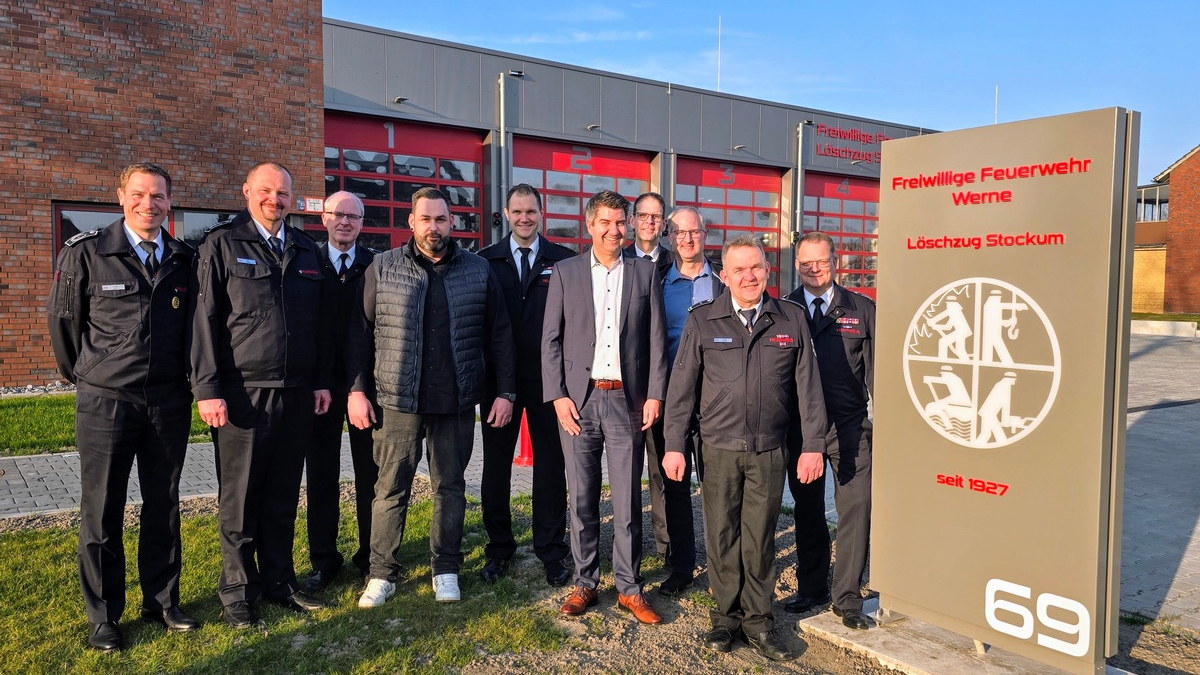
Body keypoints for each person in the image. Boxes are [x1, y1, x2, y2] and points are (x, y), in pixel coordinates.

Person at [48, 163, 198, 651]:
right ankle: (104, 615)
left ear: (169, 203)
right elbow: (65, 330)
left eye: (157, 196)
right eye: (139, 194)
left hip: (168, 402)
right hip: (107, 403)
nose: (148, 204)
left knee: (164, 503)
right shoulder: (88, 253)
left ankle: (161, 600)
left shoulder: (182, 258)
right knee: (103, 509)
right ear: (121, 197)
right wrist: (92, 376)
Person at [348, 187, 516, 608]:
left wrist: (505, 392)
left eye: (441, 219)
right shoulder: (382, 268)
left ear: (451, 223)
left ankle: (446, 569)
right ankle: (381, 573)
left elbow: (499, 336)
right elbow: (359, 334)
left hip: (456, 402)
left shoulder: (477, 270)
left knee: (450, 488)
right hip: (397, 402)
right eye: (426, 219)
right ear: (412, 222)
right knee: (390, 489)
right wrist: (355, 390)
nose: (433, 227)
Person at [663, 236, 828, 660]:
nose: (749, 276)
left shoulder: (789, 318)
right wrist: (674, 446)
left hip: (770, 450)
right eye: (739, 270)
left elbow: (809, 389)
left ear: (768, 271)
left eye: (756, 267)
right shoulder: (704, 320)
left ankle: (758, 622)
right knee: (721, 536)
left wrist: (813, 446)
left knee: (759, 538)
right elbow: (681, 390)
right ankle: (725, 620)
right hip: (718, 449)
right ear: (724, 276)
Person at [191, 162, 333, 629]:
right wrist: (208, 389)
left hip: (295, 394)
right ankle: (237, 591)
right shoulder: (222, 245)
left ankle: (279, 580)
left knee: (281, 496)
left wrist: (320, 382)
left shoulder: (306, 249)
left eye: (284, 193)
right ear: (247, 191)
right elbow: (205, 322)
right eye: (266, 190)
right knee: (241, 499)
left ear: (294, 199)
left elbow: (319, 328)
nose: (275, 199)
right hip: (242, 396)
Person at [542, 189, 668, 625]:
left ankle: (629, 588)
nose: (614, 231)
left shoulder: (643, 273)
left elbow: (655, 340)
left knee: (628, 497)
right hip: (579, 402)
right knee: (581, 498)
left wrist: (654, 393)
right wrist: (558, 396)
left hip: (626, 401)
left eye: (621, 223)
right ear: (590, 225)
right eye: (606, 223)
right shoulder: (565, 272)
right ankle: (585, 582)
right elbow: (551, 341)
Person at [477, 184, 576, 587]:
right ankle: (499, 548)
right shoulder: (485, 262)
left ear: (541, 213)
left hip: (548, 382)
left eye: (531, 211)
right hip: (498, 385)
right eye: (517, 211)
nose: (524, 218)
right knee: (495, 468)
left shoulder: (566, 263)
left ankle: (551, 551)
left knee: (551, 468)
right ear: (506, 214)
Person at [785, 231, 876, 630]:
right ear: (796, 264)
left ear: (835, 261)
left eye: (821, 261)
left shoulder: (861, 309)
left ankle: (848, 596)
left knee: (856, 509)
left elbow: (878, 373)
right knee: (806, 509)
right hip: (801, 430)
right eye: (806, 262)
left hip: (851, 427)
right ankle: (812, 587)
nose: (814, 268)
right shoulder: (784, 309)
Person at [644, 205, 724, 596]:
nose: (687, 239)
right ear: (669, 238)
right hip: (671, 401)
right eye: (679, 233)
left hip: (715, 402)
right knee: (672, 484)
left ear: (705, 235)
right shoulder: (655, 281)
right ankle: (681, 565)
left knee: (717, 486)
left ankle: (721, 568)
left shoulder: (724, 283)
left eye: (694, 232)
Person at [302, 191, 379, 591]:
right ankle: (324, 560)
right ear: (324, 219)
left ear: (362, 223)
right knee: (321, 476)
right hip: (320, 388)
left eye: (353, 216)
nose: (345, 222)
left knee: (371, 474)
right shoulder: (306, 261)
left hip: (366, 388)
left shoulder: (377, 265)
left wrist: (362, 386)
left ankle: (371, 557)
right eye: (338, 215)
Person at [622, 191, 673, 276]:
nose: (649, 221)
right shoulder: (621, 261)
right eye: (642, 215)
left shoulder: (675, 263)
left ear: (663, 224)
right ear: (632, 221)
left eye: (656, 216)